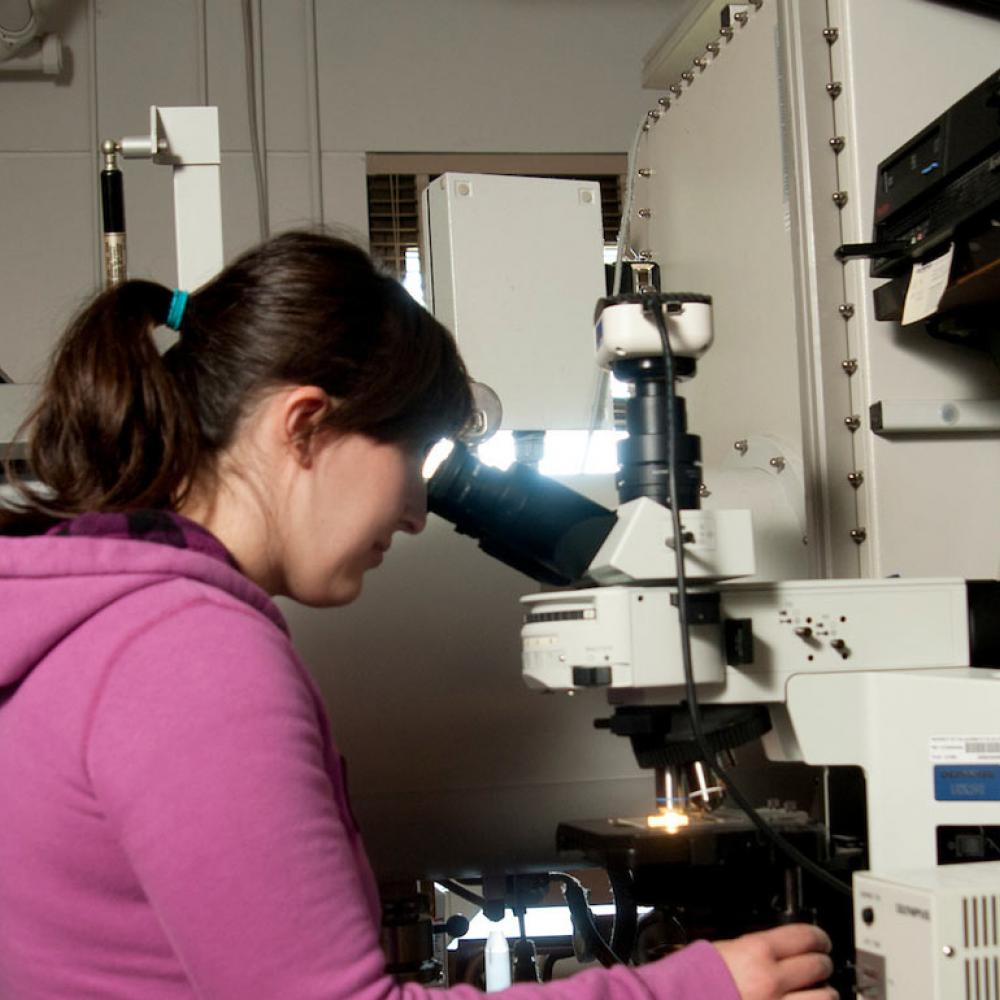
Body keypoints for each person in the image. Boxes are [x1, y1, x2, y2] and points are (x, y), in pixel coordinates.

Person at [0, 230, 836, 999]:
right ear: (306, 426)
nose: (413, 513)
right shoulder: (189, 653)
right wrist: (693, 988)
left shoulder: (97, 618)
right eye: (411, 456)